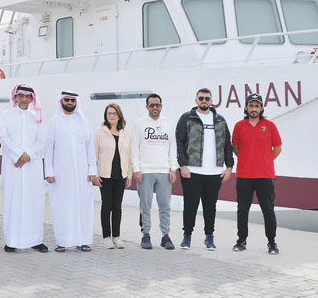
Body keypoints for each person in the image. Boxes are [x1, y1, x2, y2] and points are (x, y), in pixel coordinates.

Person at [176, 88, 233, 251]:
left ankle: (209, 237)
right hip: (192, 171)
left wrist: (229, 166)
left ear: (211, 101)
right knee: (190, 205)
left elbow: (227, 144)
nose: (204, 101)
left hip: (214, 172)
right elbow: (179, 142)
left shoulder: (220, 120)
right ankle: (187, 237)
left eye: (207, 98)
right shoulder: (187, 118)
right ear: (196, 100)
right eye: (201, 98)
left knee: (210, 206)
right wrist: (183, 165)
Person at [0, 84, 48, 253]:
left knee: (35, 201)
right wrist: (18, 155)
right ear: (15, 97)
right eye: (21, 96)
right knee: (14, 201)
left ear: (32, 99)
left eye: (28, 96)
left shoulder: (37, 117)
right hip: (13, 167)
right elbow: (4, 139)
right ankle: (12, 241)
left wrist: (28, 156)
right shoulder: (6, 115)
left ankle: (36, 240)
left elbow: (41, 140)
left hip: (32, 168)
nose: (24, 99)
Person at [44, 91, 97, 252]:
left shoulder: (84, 122)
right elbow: (48, 150)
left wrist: (92, 169)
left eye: (72, 100)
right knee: (62, 206)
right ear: (61, 101)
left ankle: (84, 240)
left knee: (83, 206)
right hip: (61, 174)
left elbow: (90, 148)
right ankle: (63, 241)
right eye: (66, 99)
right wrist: (49, 172)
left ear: (76, 102)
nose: (69, 102)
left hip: (83, 174)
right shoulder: (54, 123)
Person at [232, 94, 283, 255]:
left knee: (268, 210)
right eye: (251, 106)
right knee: (242, 209)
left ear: (261, 108)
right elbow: (236, 148)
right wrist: (248, 159)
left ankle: (272, 242)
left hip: (265, 175)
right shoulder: (239, 126)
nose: (254, 109)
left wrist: (266, 160)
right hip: (244, 175)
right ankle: (241, 240)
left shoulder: (270, 126)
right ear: (246, 108)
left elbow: (278, 148)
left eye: (257, 106)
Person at [132, 94, 179, 250]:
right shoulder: (139, 124)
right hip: (145, 171)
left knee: (165, 206)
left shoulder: (169, 124)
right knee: (145, 205)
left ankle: (165, 236)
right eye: (151, 105)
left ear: (161, 106)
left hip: (164, 171)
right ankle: (146, 235)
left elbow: (173, 147)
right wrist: (136, 169)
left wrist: (173, 168)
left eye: (157, 105)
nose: (154, 108)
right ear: (147, 107)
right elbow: (134, 148)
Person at [93, 103, 133, 249]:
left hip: (120, 175)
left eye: (114, 113)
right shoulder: (100, 132)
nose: (111, 116)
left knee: (117, 207)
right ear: (106, 115)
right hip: (105, 175)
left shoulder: (125, 133)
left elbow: (129, 156)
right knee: (106, 206)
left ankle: (116, 236)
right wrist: (95, 175)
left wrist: (129, 175)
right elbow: (94, 154)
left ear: (119, 115)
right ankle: (106, 237)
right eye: (109, 113)